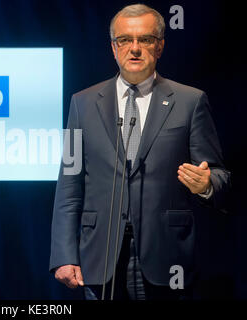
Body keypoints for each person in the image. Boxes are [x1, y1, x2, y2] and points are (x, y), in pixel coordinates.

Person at [49, 4, 230, 300]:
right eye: (125, 40)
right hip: (101, 256)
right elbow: (69, 182)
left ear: (159, 47)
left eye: (145, 40)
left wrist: (208, 185)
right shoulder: (81, 104)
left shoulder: (190, 101)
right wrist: (63, 254)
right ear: (113, 47)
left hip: (167, 257)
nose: (134, 49)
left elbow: (221, 176)